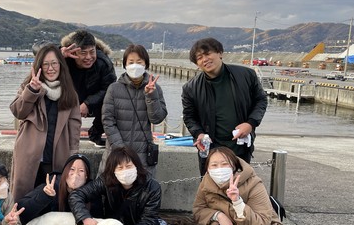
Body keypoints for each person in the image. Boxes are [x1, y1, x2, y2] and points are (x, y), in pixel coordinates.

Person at [181, 37, 267, 175]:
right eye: (199, 57)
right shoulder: (190, 88)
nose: (205, 59)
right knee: (212, 191)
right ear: (197, 64)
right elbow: (189, 117)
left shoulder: (246, 75)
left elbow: (261, 100)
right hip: (211, 149)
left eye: (208, 54)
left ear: (220, 53)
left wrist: (250, 123)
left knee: (241, 188)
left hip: (240, 146)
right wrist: (199, 133)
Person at [10, 44, 81, 201]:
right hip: (29, 155)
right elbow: (18, 111)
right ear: (39, 66)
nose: (51, 68)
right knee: (24, 200)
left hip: (57, 155)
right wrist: (32, 91)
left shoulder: (70, 94)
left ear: (61, 65)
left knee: (53, 200)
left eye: (54, 63)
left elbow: (75, 125)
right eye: (46, 64)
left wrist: (73, 154)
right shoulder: (29, 86)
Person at [102, 44, 167, 176]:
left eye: (139, 62)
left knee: (142, 193)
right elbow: (107, 120)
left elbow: (157, 119)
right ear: (125, 65)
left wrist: (151, 95)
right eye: (131, 62)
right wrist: (120, 149)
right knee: (112, 191)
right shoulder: (114, 89)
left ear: (146, 64)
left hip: (142, 155)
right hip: (116, 152)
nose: (135, 65)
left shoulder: (155, 88)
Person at [60, 30, 117, 147]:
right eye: (83, 53)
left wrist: (88, 103)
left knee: (115, 100)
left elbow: (109, 88)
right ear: (74, 52)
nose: (89, 57)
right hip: (69, 99)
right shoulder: (64, 59)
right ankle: (60, 135)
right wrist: (59, 56)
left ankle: (95, 134)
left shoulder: (103, 62)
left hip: (95, 101)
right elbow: (45, 71)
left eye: (92, 52)